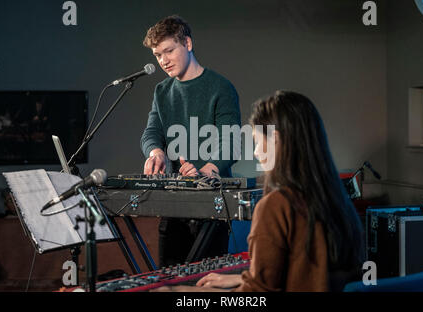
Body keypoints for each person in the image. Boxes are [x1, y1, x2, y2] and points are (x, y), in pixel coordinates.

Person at [153, 90, 365, 292]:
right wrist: (243, 278)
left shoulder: (277, 204)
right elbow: (307, 274)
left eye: (257, 142)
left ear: (276, 139)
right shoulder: (337, 202)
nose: (256, 152)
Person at [140, 15, 241, 267]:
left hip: (212, 205)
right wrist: (156, 153)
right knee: (168, 279)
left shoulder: (220, 88)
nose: (163, 61)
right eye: (157, 55)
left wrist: (208, 169)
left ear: (187, 43)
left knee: (204, 281)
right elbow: (151, 131)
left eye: (168, 51)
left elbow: (231, 142)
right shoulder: (162, 91)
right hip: (175, 202)